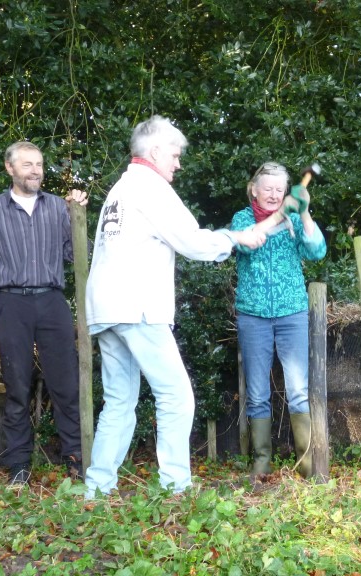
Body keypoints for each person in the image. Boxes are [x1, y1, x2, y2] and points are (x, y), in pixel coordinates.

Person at [84, 115, 266, 498]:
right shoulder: (150, 189)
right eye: (175, 154)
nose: (178, 163)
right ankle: (176, 489)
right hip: (138, 306)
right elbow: (193, 242)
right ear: (154, 151)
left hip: (107, 307)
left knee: (119, 400)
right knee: (176, 396)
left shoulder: (121, 188)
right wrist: (236, 238)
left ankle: (97, 491)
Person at [0, 141, 87, 485]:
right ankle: (19, 465)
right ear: (10, 169)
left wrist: (78, 215)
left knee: (65, 384)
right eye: (28, 165)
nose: (36, 171)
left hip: (52, 303)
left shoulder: (58, 209)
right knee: (17, 386)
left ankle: (75, 458)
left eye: (40, 165)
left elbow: (77, 255)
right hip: (11, 304)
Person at [230, 162, 327, 478]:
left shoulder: (295, 220)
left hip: (292, 314)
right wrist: (279, 217)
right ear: (254, 190)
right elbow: (244, 244)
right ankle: (261, 463)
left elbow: (317, 250)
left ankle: (308, 464)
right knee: (257, 393)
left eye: (279, 190)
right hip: (252, 317)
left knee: (298, 390)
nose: (273, 194)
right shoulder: (242, 220)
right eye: (267, 188)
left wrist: (305, 212)